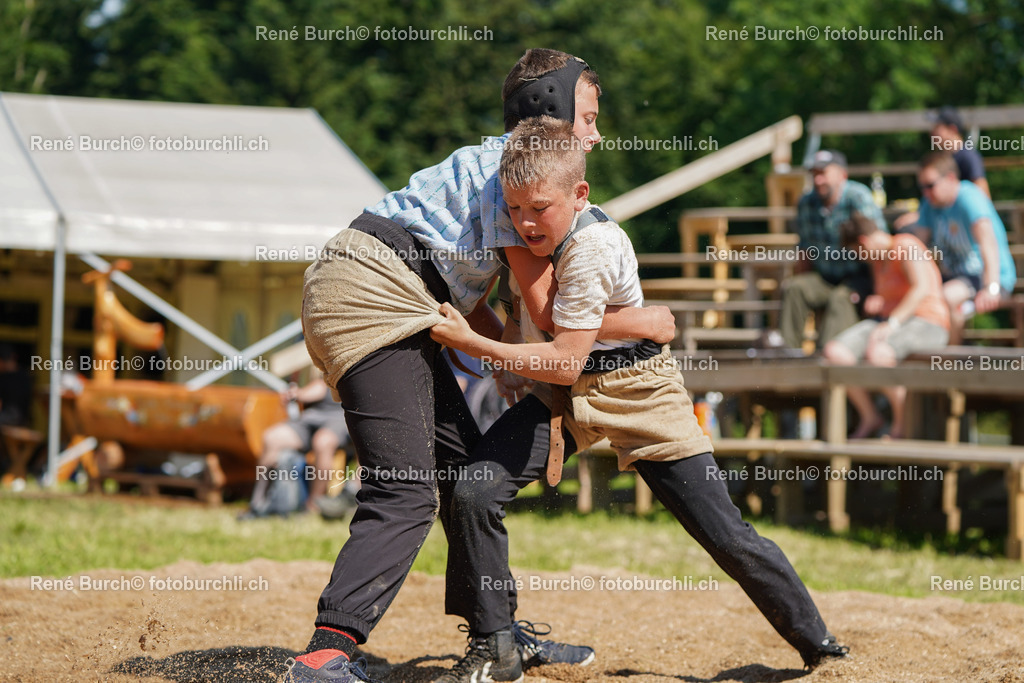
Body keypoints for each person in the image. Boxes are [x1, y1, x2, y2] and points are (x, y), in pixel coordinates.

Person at [288, 50, 675, 683]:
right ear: (550, 111)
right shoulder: (517, 176)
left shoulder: (495, 164)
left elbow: (456, 292)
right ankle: (325, 654)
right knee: (406, 486)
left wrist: (499, 359)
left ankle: (498, 638)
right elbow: (547, 312)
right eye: (588, 117)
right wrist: (645, 322)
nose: (598, 134)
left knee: (466, 472)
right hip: (376, 294)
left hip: (381, 288)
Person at [430, 116, 849, 679]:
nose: (525, 221)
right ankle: (497, 643)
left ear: (580, 194)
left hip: (638, 389)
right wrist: (515, 341)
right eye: (515, 208)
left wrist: (473, 343)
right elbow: (533, 311)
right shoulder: (527, 231)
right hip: (566, 393)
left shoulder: (594, 246)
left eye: (539, 208)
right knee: (475, 491)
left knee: (725, 534)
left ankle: (820, 647)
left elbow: (564, 354)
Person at [823, 213, 950, 438]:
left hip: (927, 321)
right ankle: (870, 416)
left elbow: (920, 289)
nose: (860, 258)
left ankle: (903, 425)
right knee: (835, 352)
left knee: (878, 353)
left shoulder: (906, 246)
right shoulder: (878, 261)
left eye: (857, 252)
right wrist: (880, 302)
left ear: (863, 242)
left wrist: (892, 323)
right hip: (889, 322)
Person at [779, 149, 888, 351]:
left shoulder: (858, 198)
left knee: (840, 298)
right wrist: (801, 277)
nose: (818, 180)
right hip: (825, 277)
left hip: (860, 278)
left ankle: (827, 358)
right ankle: (787, 354)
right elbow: (805, 251)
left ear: (842, 174)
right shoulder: (806, 203)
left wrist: (879, 292)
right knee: (795, 288)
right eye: (814, 174)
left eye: (823, 173)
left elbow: (878, 249)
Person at [914, 152, 1016, 343]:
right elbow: (917, 247)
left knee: (947, 296)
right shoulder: (929, 204)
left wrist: (992, 288)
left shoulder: (969, 197)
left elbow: (988, 244)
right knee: (921, 296)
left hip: (987, 276)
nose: (926, 192)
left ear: (950, 178)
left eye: (930, 185)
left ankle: (950, 357)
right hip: (955, 276)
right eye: (922, 187)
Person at [239, 371, 351, 518]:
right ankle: (258, 503)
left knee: (323, 442)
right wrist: (297, 394)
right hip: (314, 415)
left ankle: (313, 506)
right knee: (272, 438)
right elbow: (320, 386)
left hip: (343, 416)